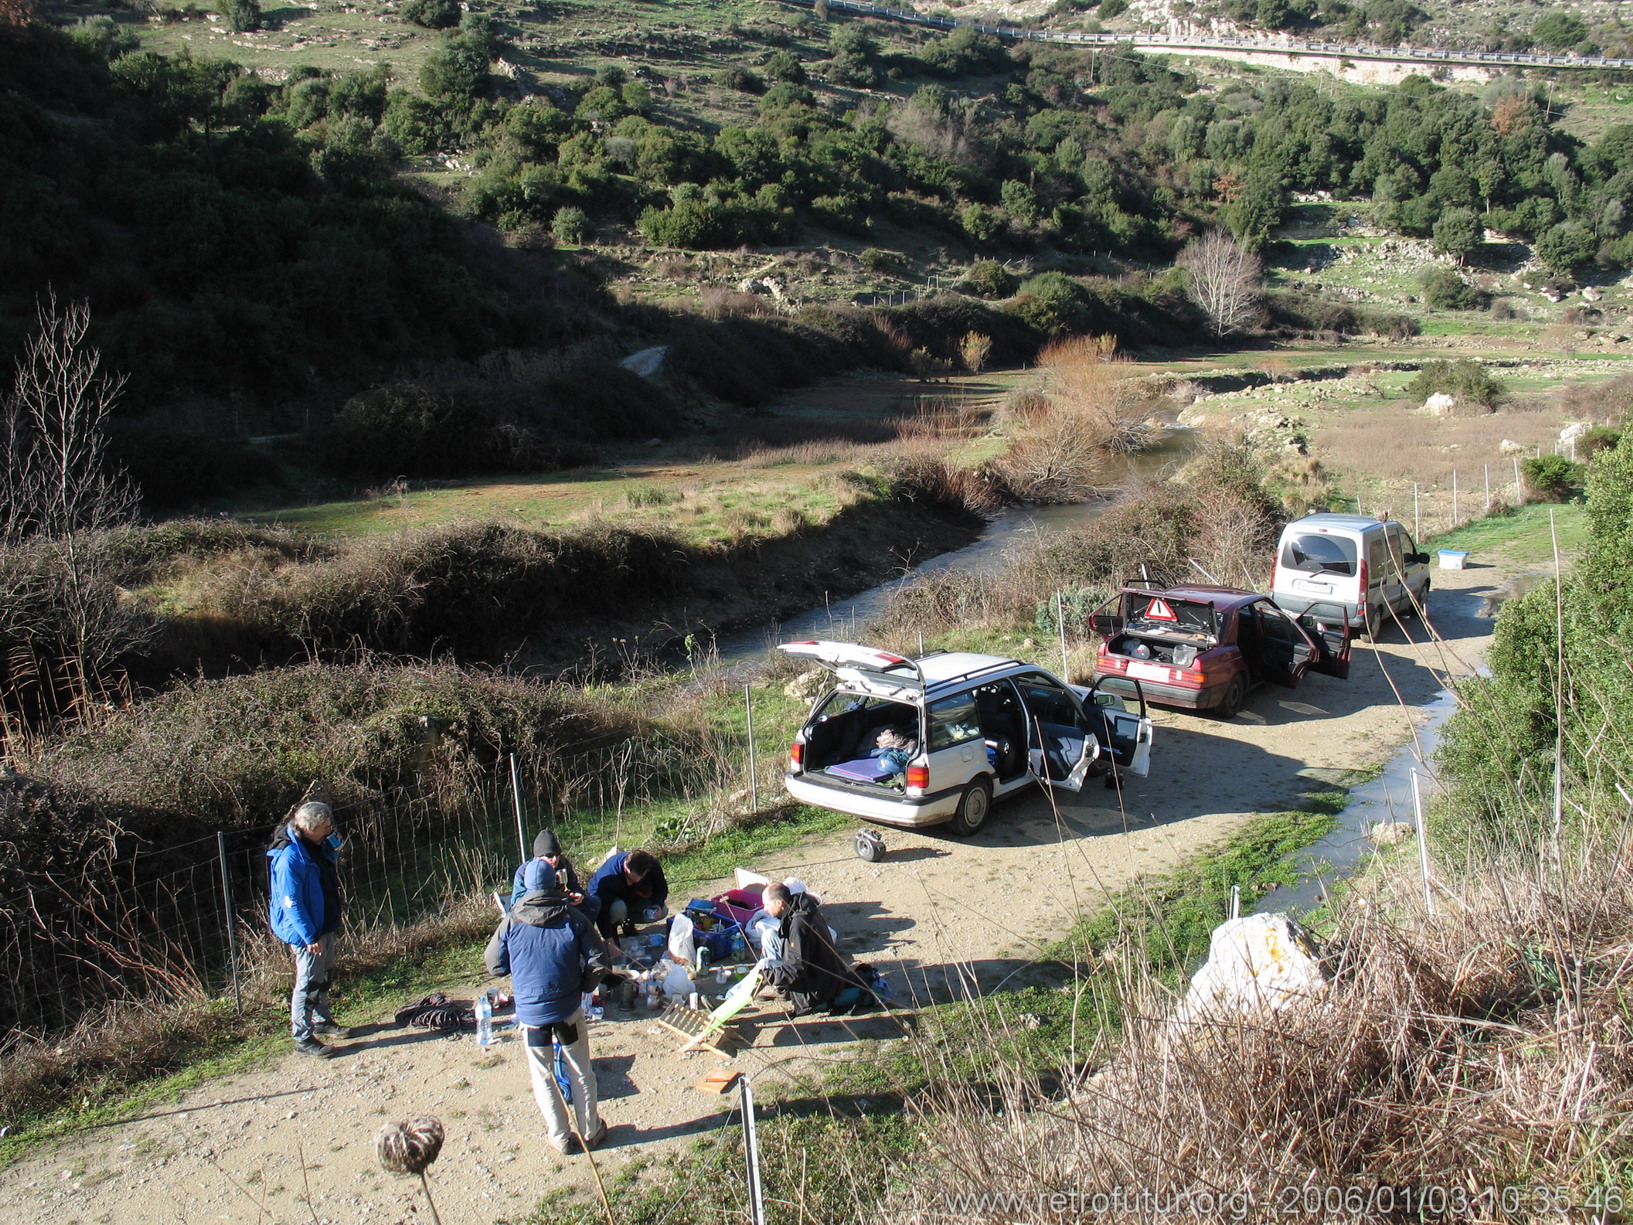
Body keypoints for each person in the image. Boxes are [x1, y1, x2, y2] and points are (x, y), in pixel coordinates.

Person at [486, 860, 611, 1155]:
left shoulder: (511, 921)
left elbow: (494, 965)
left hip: (532, 1016)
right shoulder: (573, 917)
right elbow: (600, 961)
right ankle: (590, 1131)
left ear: (527, 886)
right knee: (580, 1070)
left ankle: (560, 1137)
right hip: (567, 1010)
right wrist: (584, 985)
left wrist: (515, 968)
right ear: (555, 883)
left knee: (543, 1075)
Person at [267, 800, 352, 1058]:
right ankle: (302, 1037)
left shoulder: (316, 844)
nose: (330, 830)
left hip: (323, 920)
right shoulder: (289, 858)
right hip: (308, 931)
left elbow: (332, 857)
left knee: (322, 975)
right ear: (309, 827)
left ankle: (321, 1020)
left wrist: (333, 845)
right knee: (308, 981)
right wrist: (309, 936)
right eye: (325, 827)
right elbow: (291, 903)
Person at [759, 882, 870, 1017]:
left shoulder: (799, 925)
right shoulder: (800, 907)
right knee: (769, 935)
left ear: (779, 903)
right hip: (818, 966)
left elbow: (796, 969)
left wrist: (766, 976)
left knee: (765, 966)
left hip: (818, 987)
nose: (764, 909)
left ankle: (734, 994)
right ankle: (782, 989)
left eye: (766, 904)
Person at [586, 848, 668, 952]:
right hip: (603, 899)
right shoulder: (609, 876)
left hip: (631, 896)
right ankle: (615, 928)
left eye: (637, 879)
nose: (632, 882)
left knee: (663, 911)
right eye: (630, 878)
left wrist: (658, 905)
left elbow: (661, 888)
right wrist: (611, 941)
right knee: (618, 909)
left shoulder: (651, 864)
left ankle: (628, 923)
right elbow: (603, 912)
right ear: (626, 867)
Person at [508, 829, 596, 925]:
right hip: (536, 910)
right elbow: (516, 901)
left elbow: (574, 885)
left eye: (557, 854)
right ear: (538, 857)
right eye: (549, 856)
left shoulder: (563, 864)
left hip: (563, 905)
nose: (555, 859)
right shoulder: (524, 871)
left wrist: (578, 894)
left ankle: (584, 936)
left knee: (593, 902)